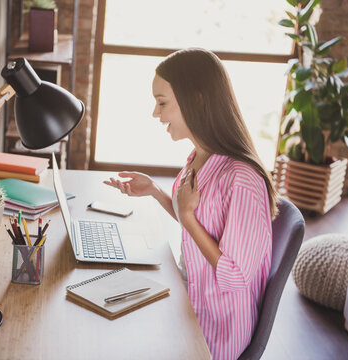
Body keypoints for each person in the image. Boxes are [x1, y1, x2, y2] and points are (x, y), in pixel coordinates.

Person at [104, 48, 279, 360]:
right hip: (192, 302)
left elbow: (236, 277)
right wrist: (156, 192)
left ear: (196, 99)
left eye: (162, 103)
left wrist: (186, 217)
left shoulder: (242, 179)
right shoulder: (199, 157)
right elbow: (202, 221)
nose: (155, 114)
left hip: (216, 333)